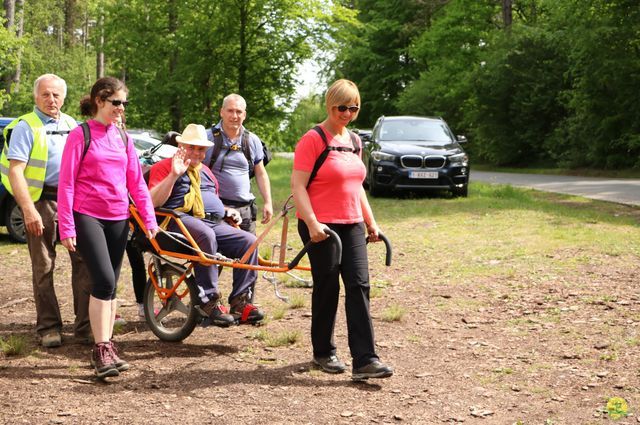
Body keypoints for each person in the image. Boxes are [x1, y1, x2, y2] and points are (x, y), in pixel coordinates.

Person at [290, 79, 394, 381]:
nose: (347, 113)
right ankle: (323, 352)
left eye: (354, 107)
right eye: (342, 107)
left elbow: (357, 186)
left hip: (351, 224)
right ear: (329, 105)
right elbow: (298, 185)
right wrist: (311, 223)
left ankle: (365, 360)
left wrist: (371, 221)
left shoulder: (354, 141)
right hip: (321, 224)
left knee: (359, 286)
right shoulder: (313, 139)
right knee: (328, 286)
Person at [57, 77, 159, 378]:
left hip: (118, 218)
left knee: (112, 284)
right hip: (87, 215)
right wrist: (66, 227)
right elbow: (66, 183)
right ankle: (100, 348)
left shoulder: (123, 138)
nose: (121, 108)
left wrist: (148, 219)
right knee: (102, 281)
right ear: (100, 101)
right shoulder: (81, 134)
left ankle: (107, 345)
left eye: (124, 103)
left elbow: (137, 184)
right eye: (116, 102)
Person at [0, 73, 92, 348]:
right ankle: (49, 327)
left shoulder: (72, 125)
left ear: (63, 97)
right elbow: (15, 171)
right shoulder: (24, 127)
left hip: (73, 203)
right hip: (40, 201)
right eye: (46, 94)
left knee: (84, 263)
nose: (51, 100)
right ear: (35, 96)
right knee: (44, 266)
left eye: (56, 95)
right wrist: (28, 210)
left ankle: (86, 327)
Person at [148, 123, 264, 327]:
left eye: (200, 149)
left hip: (210, 222)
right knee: (205, 234)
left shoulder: (207, 173)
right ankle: (208, 301)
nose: (196, 152)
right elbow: (151, 202)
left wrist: (227, 211)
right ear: (180, 146)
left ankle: (240, 302)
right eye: (190, 147)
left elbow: (210, 200)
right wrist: (174, 175)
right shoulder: (164, 167)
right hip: (176, 224)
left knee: (249, 241)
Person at [204, 94, 272, 234]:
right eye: (230, 110)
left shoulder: (252, 140)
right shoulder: (207, 138)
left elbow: (260, 173)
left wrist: (268, 202)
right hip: (216, 208)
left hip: (245, 210)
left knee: (248, 252)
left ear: (244, 114)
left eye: (239, 111)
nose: (234, 116)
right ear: (221, 112)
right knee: (212, 254)